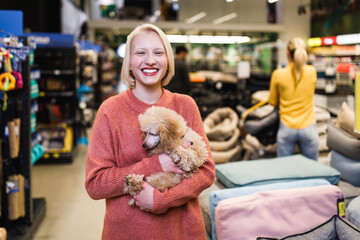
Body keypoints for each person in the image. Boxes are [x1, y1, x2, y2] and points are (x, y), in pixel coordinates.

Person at [85, 23, 215, 240]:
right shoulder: (110, 111)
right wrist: (155, 164)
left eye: (158, 52)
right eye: (140, 52)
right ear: (129, 62)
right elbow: (96, 184)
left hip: (182, 232)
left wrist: (161, 200)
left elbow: (206, 172)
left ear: (168, 60)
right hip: (127, 233)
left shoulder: (185, 106)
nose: (151, 60)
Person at [268, 37, 319, 160]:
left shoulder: (278, 74)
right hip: (308, 126)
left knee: (285, 170)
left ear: (287, 54)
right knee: (314, 169)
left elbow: (272, 102)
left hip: (287, 127)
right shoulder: (312, 71)